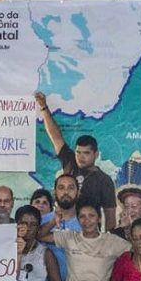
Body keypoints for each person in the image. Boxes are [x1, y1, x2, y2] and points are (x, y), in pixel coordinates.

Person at [36, 92, 116, 231]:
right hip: (62, 227)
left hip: (87, 234)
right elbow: (55, 136)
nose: (80, 157)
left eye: (86, 153)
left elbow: (110, 217)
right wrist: (44, 108)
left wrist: (106, 245)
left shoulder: (105, 180)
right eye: (78, 152)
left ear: (96, 154)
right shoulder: (70, 161)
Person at [41, 203, 130, 281]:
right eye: (82, 216)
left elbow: (138, 251)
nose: (87, 220)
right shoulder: (69, 237)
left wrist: (129, 229)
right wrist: (54, 220)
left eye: (91, 216)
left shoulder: (113, 241)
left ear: (99, 218)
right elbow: (40, 236)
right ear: (78, 220)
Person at [38, 174, 82, 281]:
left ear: (78, 192)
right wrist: (53, 221)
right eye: (61, 188)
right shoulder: (42, 221)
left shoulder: (85, 224)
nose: (66, 192)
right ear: (54, 192)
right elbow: (34, 236)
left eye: (71, 188)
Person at [15, 206, 62, 281]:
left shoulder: (46, 253)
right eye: (24, 223)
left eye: (33, 224)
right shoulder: (5, 250)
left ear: (38, 228)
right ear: (16, 224)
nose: (28, 228)